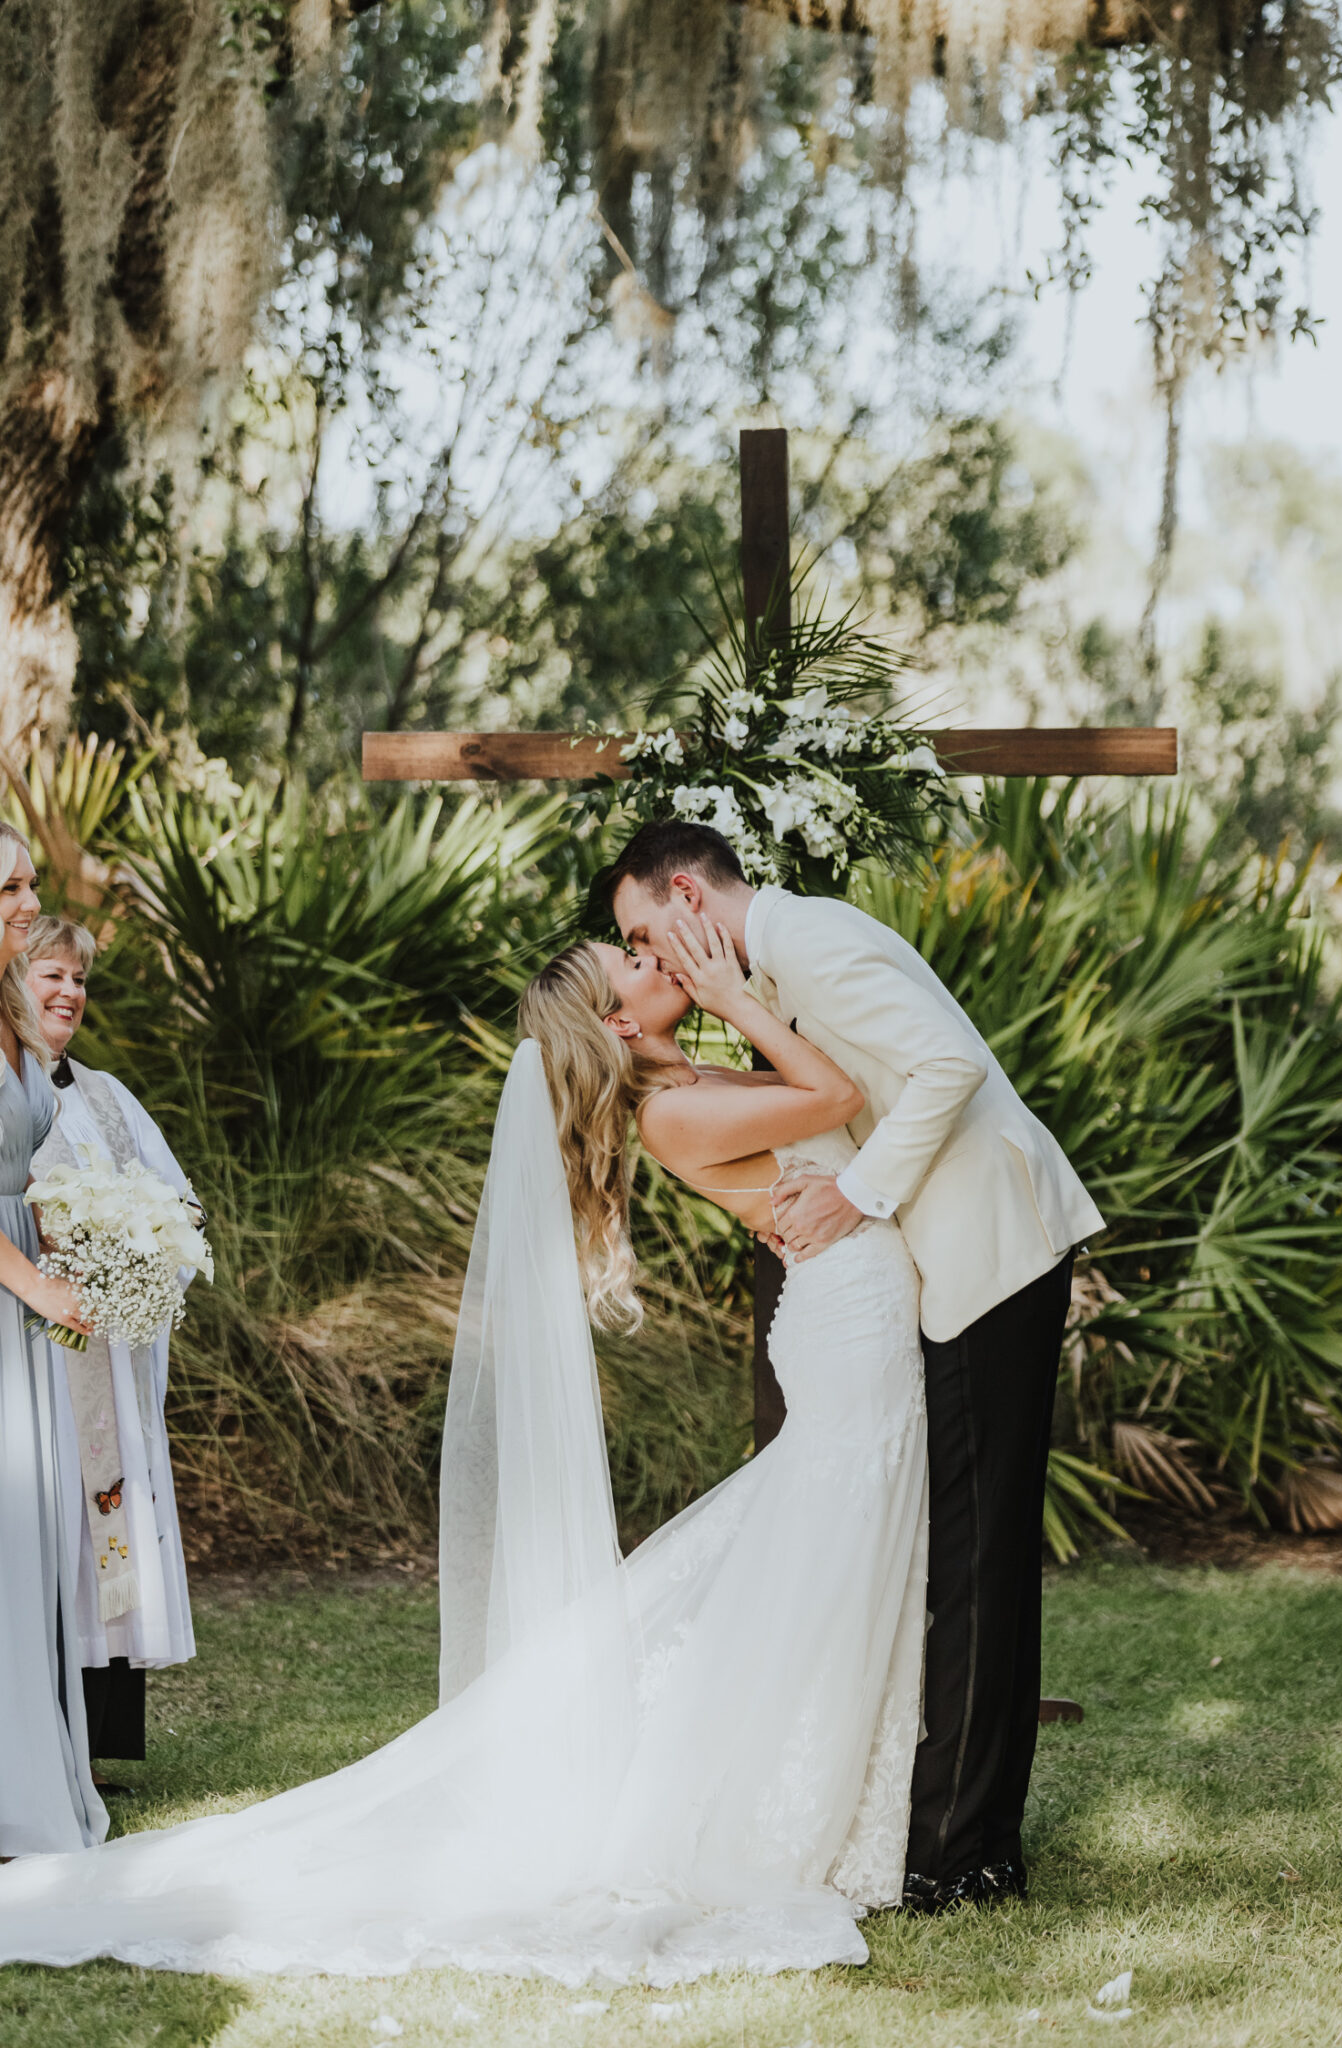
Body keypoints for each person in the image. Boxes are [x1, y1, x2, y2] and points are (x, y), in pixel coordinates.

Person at [0, 915, 929, 1985]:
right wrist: (733, 994)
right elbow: (837, 1099)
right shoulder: (672, 1109)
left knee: (814, 1550)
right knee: (816, 1544)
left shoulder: (684, 1073)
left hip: (853, 1314)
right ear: (619, 1019)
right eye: (635, 961)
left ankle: (837, 1789)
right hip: (848, 1324)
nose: (659, 957)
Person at [604, 820, 1104, 1914]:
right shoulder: (773, 973)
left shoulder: (815, 942)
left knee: (977, 1558)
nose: (647, 957)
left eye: (643, 931)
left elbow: (946, 1067)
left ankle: (965, 1851)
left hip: (988, 1252)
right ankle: (955, 1836)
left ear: (687, 893)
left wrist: (854, 1192)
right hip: (936, 1268)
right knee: (962, 1555)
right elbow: (810, 1108)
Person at [25, 916, 197, 1792]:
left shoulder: (105, 1095)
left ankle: (101, 1743)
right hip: (34, 1349)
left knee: (110, 1524)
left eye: (80, 980)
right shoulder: (7, 1089)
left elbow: (174, 1200)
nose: (69, 994)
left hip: (105, 1349)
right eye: (49, 975)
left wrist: (144, 1247)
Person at [0, 826, 107, 1860]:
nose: (29, 899)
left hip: (26, 1291)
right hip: (7, 1288)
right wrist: (30, 1275)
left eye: (29, 879)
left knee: (28, 1537)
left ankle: (25, 1772)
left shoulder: (11, 1023)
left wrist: (67, 1231)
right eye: (11, 885)